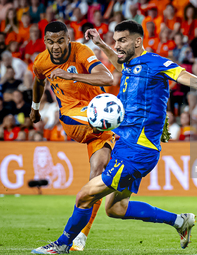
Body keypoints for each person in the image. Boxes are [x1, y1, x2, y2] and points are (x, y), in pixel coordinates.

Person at [32, 20, 197, 254]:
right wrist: (102, 44)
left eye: (122, 41)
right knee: (115, 209)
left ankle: (62, 245)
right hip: (124, 145)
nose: (117, 45)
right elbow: (120, 65)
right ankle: (180, 221)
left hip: (137, 150)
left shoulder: (156, 63)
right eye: (116, 41)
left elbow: (190, 79)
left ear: (138, 41)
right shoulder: (130, 64)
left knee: (84, 196)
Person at [30, 21, 115, 252]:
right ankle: (124, 134)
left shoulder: (81, 51)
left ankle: (81, 236)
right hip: (73, 117)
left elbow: (107, 78)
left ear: (68, 39)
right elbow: (38, 80)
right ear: (45, 42)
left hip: (98, 120)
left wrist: (71, 77)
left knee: (97, 175)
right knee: (116, 128)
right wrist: (35, 107)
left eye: (60, 41)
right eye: (50, 41)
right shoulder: (41, 62)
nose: (55, 46)